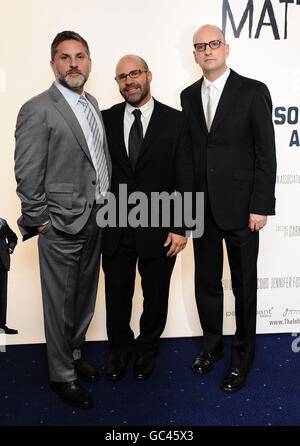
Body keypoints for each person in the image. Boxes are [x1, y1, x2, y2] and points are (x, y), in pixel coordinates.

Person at [14, 31, 111, 409]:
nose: (74, 64)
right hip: (59, 224)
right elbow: (27, 171)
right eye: (65, 57)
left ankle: (73, 355)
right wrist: (40, 221)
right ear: (53, 64)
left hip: (96, 218)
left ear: (89, 62)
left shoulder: (92, 102)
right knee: (59, 302)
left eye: (81, 56)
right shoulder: (37, 109)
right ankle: (62, 376)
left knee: (84, 298)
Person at [181, 25, 276, 392]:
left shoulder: (252, 91)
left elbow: (265, 153)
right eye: (200, 46)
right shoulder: (188, 96)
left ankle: (242, 356)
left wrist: (260, 205)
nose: (207, 51)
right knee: (206, 284)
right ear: (194, 54)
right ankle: (212, 347)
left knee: (244, 286)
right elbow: (189, 157)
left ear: (226, 48)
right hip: (203, 209)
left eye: (214, 44)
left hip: (242, 210)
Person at [101, 55, 194, 381]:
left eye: (135, 73)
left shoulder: (176, 121)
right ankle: (120, 350)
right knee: (117, 294)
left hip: (160, 226)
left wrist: (182, 226)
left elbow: (185, 174)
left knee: (155, 296)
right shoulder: (105, 120)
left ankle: (147, 350)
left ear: (148, 75)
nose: (129, 81)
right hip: (114, 224)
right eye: (122, 77)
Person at [0, 218, 18, 334]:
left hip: (2, 263)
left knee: (1, 296)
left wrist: (10, 248)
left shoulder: (2, 222)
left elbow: (13, 237)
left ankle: (1, 326)